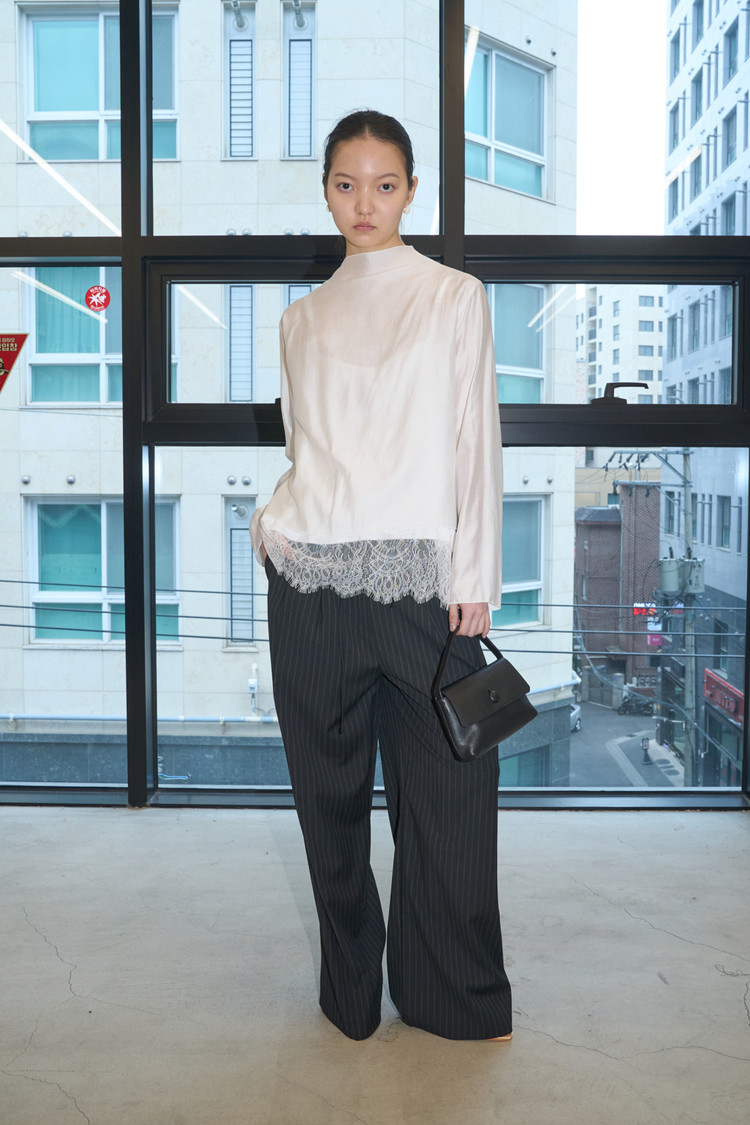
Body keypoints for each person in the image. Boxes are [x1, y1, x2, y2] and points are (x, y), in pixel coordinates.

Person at [250, 110, 511, 1042]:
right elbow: (304, 445)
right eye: (346, 184)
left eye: (385, 184)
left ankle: (454, 996)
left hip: (423, 590)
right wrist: (272, 526)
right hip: (310, 585)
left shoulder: (453, 297)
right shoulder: (299, 318)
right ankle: (351, 993)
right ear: (326, 192)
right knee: (327, 807)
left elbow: (474, 441)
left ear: (411, 192)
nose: (365, 202)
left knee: (453, 796)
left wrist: (474, 573)